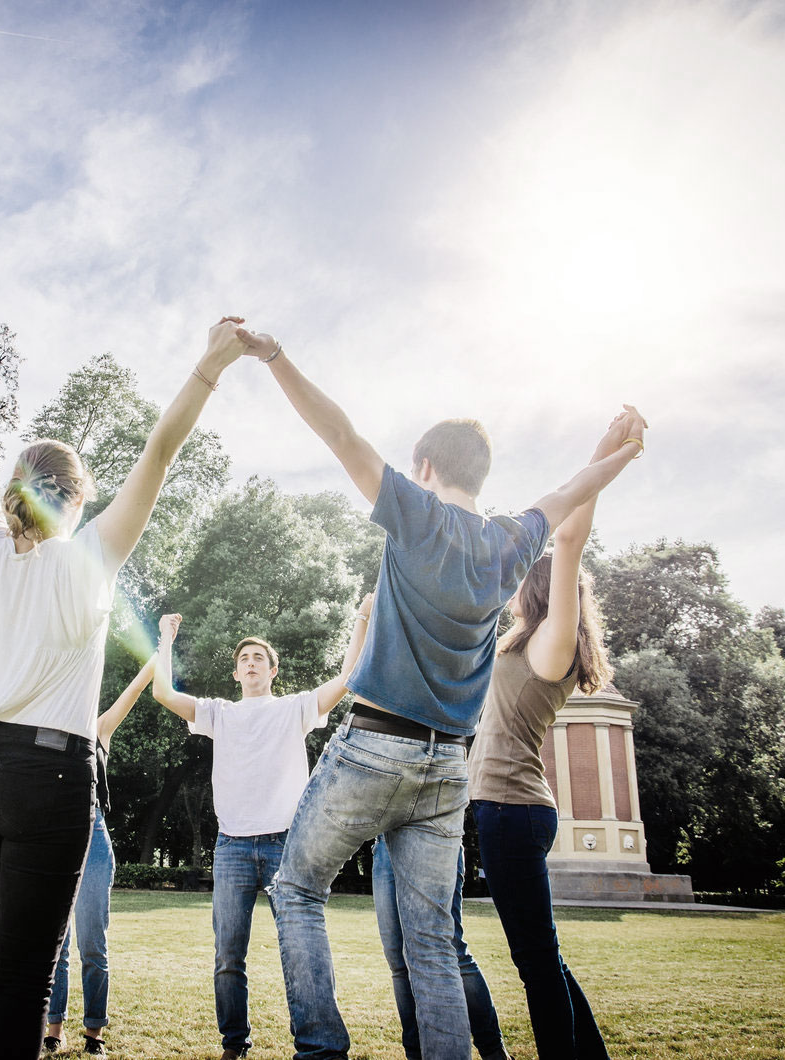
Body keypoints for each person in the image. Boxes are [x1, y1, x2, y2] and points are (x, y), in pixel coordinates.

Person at [234, 323, 644, 1060]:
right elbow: (570, 493)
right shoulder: (508, 541)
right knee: (432, 944)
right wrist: (618, 452)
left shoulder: (414, 513)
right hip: (447, 770)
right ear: (480, 479)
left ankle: (321, 1049)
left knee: (296, 888)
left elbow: (341, 433)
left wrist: (274, 356)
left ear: (423, 467)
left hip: (374, 748)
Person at [0, 317, 248, 1060]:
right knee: (22, 974)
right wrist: (208, 366)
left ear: (21, 489)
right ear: (79, 497)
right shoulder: (91, 557)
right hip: (45, 776)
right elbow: (161, 452)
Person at [150, 595, 374, 1060]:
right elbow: (164, 695)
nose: (250, 663)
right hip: (231, 847)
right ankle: (235, 1043)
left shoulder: (294, 708)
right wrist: (165, 642)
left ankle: (319, 1048)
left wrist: (362, 618)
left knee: (300, 948)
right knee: (228, 956)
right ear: (236, 674)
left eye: (259, 658)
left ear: (273, 671)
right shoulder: (219, 713)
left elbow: (348, 677)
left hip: (285, 846)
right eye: (243, 659)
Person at [468, 436, 621, 1060]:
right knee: (542, 954)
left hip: (512, 810)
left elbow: (568, 541)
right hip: (501, 810)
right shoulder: (518, 642)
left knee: (533, 961)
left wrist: (607, 455)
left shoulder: (550, 648)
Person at [44, 655, 157, 1057]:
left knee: (92, 942)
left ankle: (94, 1032)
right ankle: (53, 1028)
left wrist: (162, 647)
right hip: (53, 840)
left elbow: (136, 689)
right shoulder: (47, 733)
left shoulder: (99, 730)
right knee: (55, 945)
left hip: (92, 840)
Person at [373, 839, 510, 1060]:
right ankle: (414, 1053)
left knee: (453, 952)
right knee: (398, 961)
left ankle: (493, 1051)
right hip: (385, 847)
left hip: (435, 838)